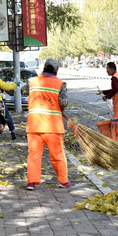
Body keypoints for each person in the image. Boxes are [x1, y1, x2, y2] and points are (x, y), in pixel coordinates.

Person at [25, 59, 70, 190]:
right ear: (56, 70)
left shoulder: (31, 81)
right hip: (53, 127)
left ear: (44, 68)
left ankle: (31, 182)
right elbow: (64, 102)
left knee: (33, 155)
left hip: (34, 125)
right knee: (57, 155)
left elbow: (24, 92)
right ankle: (63, 181)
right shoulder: (60, 84)